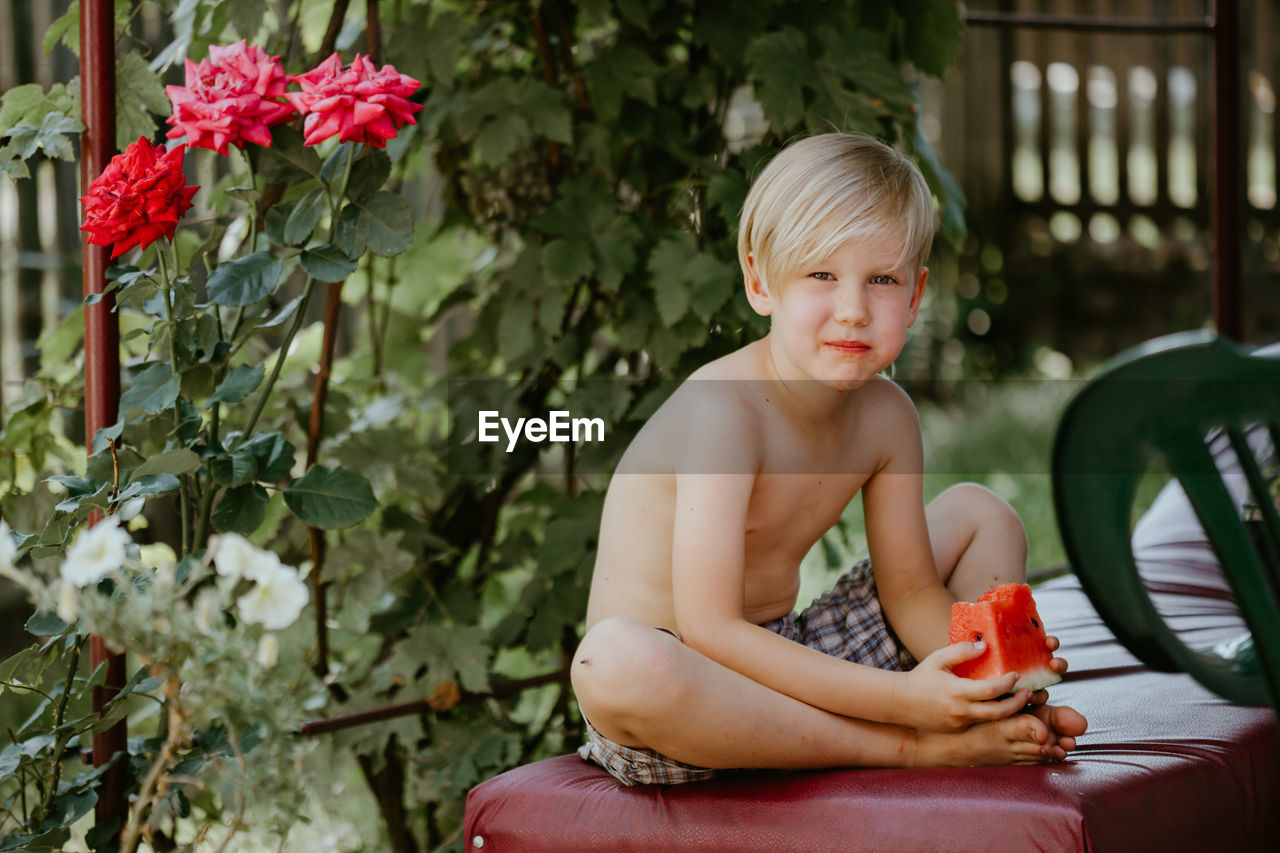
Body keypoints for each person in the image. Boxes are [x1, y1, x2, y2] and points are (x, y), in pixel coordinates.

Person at [569, 132, 1089, 787]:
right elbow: (710, 629)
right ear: (760, 281)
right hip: (686, 693)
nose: (852, 310)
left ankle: (978, 721)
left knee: (981, 514)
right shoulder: (723, 412)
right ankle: (914, 746)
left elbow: (912, 592)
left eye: (882, 279)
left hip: (790, 652)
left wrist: (988, 680)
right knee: (614, 659)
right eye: (821, 274)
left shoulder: (887, 416)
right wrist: (906, 703)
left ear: (915, 295)